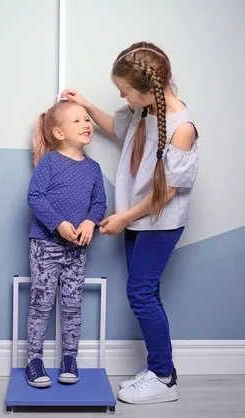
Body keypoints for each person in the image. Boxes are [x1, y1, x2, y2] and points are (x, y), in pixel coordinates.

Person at [61, 41, 199, 404]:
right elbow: (117, 129)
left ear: (145, 89)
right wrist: (87, 104)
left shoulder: (182, 128)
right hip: (137, 221)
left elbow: (164, 193)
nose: (121, 97)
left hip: (160, 222)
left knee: (140, 294)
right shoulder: (142, 112)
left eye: (123, 91)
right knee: (145, 293)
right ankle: (158, 368)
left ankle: (164, 377)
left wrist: (122, 217)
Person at [24, 99, 107, 388]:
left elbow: (99, 202)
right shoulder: (49, 161)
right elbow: (35, 197)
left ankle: (69, 359)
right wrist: (59, 224)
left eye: (87, 120)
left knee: (72, 305)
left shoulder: (94, 168)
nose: (86, 124)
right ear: (59, 133)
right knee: (41, 303)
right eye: (78, 121)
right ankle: (34, 360)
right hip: (46, 245)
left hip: (77, 250)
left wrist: (89, 222)